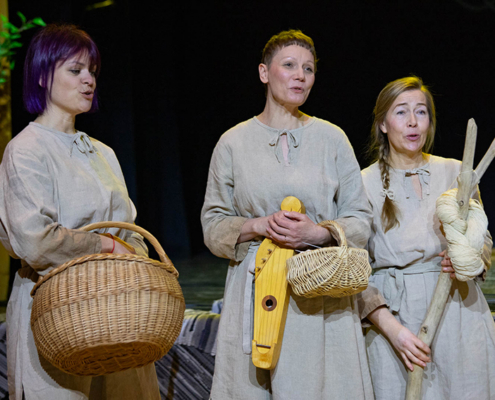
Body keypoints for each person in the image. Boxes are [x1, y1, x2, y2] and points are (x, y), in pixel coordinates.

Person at [201, 29, 375, 399]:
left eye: (308, 69)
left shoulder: (332, 138)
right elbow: (213, 225)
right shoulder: (233, 142)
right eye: (290, 66)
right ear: (264, 73)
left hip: (319, 293)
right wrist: (258, 225)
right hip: (255, 289)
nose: (300, 76)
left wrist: (319, 233)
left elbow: (360, 218)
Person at [0, 24, 160, 400]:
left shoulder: (103, 152)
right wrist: (105, 246)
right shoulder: (26, 150)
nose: (89, 80)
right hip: (55, 311)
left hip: (116, 310)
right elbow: (36, 242)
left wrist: (135, 258)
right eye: (75, 70)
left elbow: (129, 231)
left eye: (92, 71)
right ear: (42, 76)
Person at [361, 76, 495, 399]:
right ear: (382, 124)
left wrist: (471, 258)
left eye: (421, 112)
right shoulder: (363, 183)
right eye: (401, 112)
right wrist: (394, 332)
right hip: (396, 323)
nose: (413, 122)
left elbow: (483, 238)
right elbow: (355, 271)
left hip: (459, 311)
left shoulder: (456, 173)